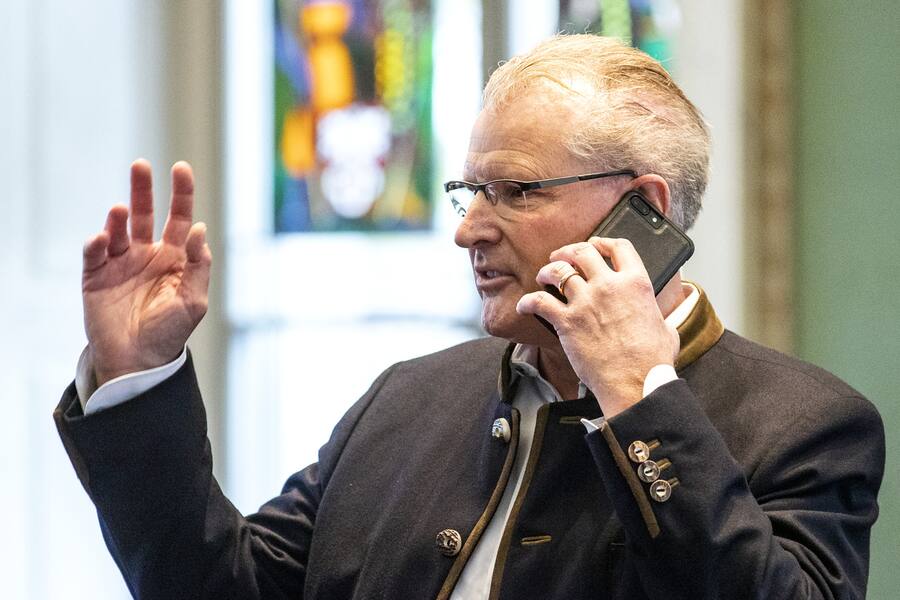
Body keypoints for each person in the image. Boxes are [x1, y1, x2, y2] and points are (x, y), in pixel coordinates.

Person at [55, 35, 884, 599]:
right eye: (469, 190)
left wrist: (639, 397)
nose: (468, 228)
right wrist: (139, 378)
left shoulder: (805, 424)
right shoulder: (407, 400)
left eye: (516, 192)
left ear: (642, 210)